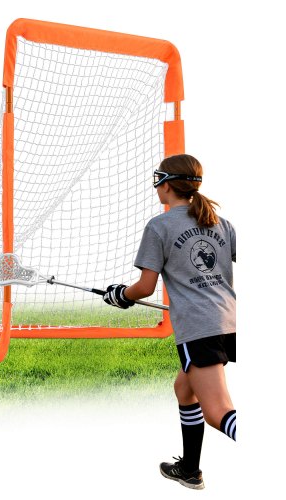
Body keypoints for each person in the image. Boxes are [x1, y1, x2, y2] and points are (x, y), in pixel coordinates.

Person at [103, 154, 236, 490]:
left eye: (157, 180)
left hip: (200, 328)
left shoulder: (159, 226)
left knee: (217, 412)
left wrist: (121, 295)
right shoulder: (220, 222)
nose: (156, 187)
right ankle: (190, 470)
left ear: (167, 185)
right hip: (229, 321)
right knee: (184, 389)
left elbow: (145, 288)